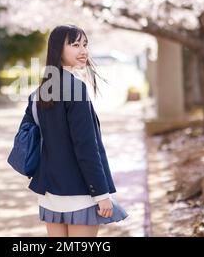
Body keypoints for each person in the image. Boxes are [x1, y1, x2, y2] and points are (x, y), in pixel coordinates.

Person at [18, 24, 128, 237]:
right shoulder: (76, 88)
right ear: (58, 48)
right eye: (75, 45)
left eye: (85, 44)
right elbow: (85, 146)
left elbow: (28, 134)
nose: (83, 50)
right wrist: (101, 193)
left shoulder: (39, 93)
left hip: (49, 192)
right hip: (79, 191)